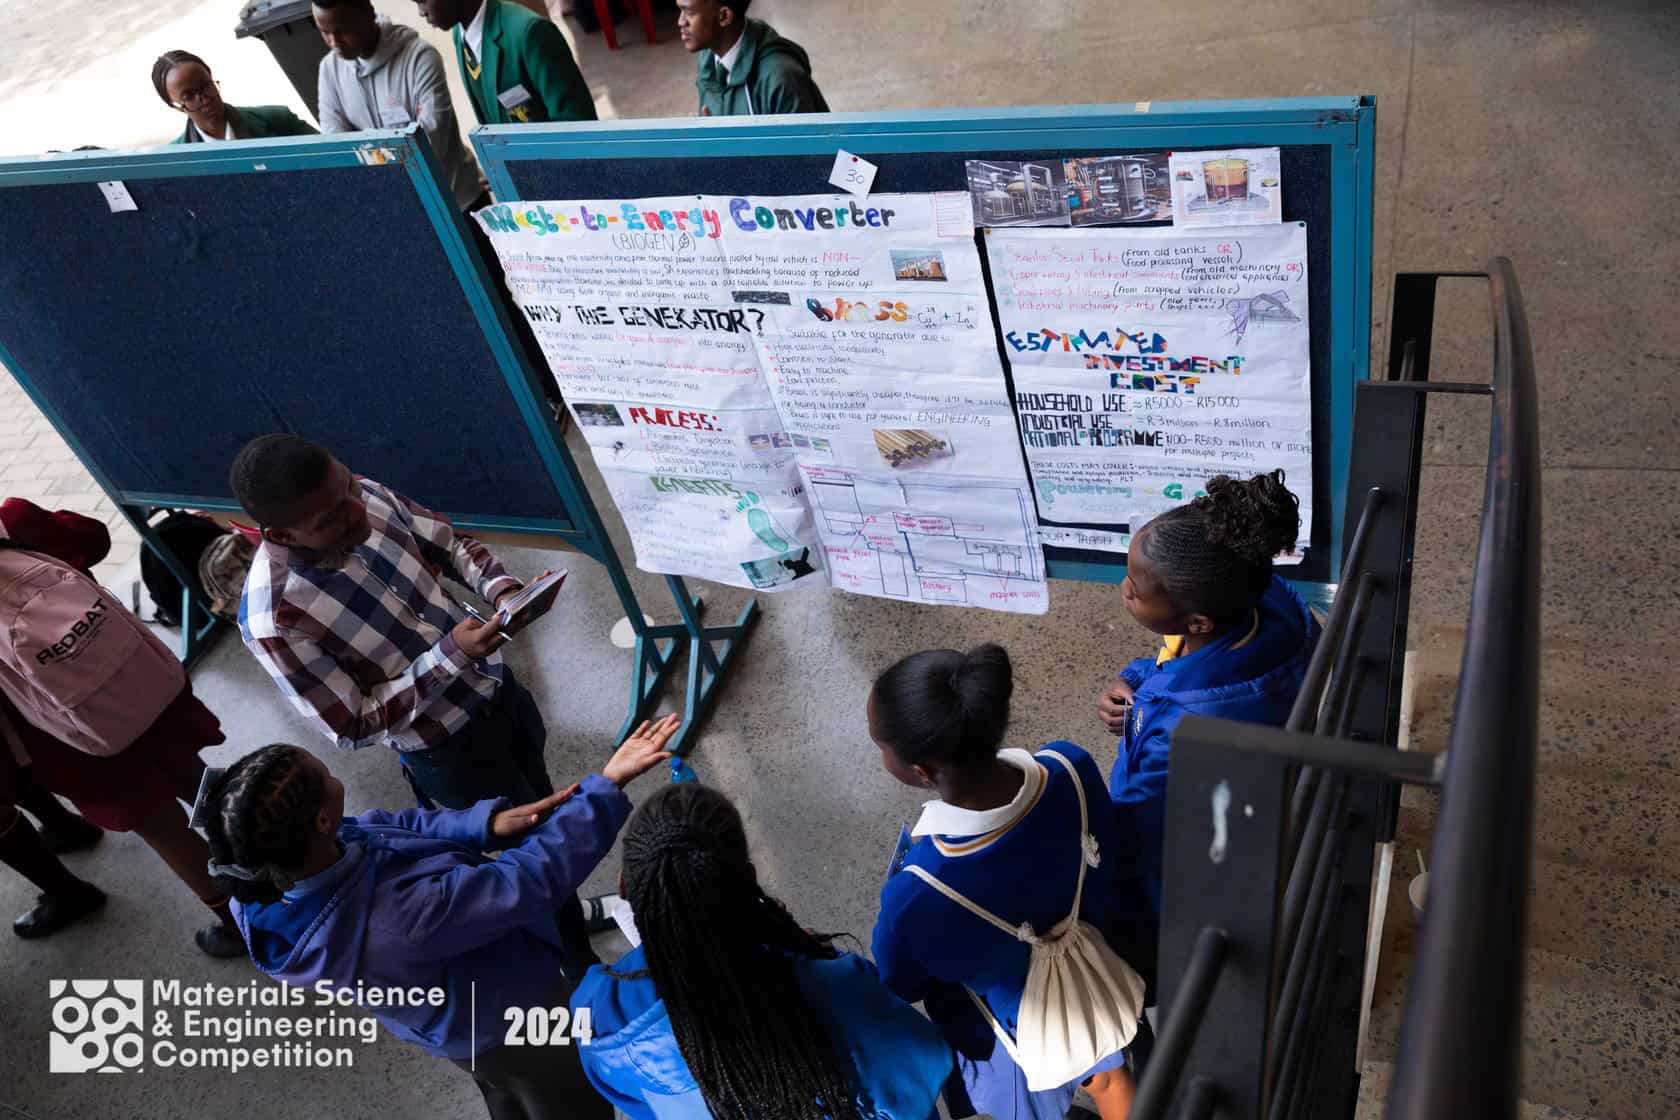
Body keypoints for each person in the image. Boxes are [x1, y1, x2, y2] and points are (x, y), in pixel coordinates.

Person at [228, 435, 602, 973]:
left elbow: (449, 545)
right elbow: (352, 724)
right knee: (528, 857)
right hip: (448, 751)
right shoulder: (274, 618)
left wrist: (504, 592)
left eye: (349, 485)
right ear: (281, 535)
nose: (359, 510)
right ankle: (577, 966)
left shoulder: (359, 494)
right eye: (333, 518)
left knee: (545, 811)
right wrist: (451, 656)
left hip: (500, 692)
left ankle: (567, 921)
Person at [200, 715, 678, 1120]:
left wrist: (481, 825)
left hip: (459, 1026)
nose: (333, 775)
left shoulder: (277, 875)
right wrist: (606, 786)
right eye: (326, 774)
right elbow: (528, 880)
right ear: (321, 821)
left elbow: (387, 828)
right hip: (511, 1022)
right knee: (566, 1098)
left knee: (509, 1088)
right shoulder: (398, 921)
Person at [869, 645, 1145, 1120]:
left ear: (923, 771)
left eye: (881, 746)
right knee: (1108, 1076)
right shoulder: (1070, 766)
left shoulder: (917, 892)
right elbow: (1109, 853)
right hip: (1096, 974)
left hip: (1010, 1037)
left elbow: (901, 981)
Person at [573, 782, 954, 1120]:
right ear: (748, 879)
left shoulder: (592, 1012)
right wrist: (809, 954)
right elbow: (918, 1073)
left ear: (624, 888)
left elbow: (636, 1102)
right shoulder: (839, 986)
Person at [0, 498, 245, 956]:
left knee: (165, 829)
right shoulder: (12, 518)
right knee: (197, 780)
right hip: (138, 681)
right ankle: (291, 858)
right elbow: (93, 539)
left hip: (75, 740)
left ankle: (240, 924)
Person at [1097, 470, 1321, 920]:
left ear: (1197, 622)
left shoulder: (1181, 730)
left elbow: (1137, 822)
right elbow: (1181, 668)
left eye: (1136, 591)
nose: (1124, 590)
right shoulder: (1259, 599)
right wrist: (1136, 679)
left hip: (1190, 860)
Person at [312, 0, 486, 212]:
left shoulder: (420, 57)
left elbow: (431, 142)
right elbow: (337, 146)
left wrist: (366, 153)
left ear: (368, 12)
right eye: (325, 32)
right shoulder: (329, 70)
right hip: (399, 207)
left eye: (342, 30)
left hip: (458, 201)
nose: (334, 42)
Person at [414, 0, 596, 126]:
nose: (421, 12)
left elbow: (578, 124)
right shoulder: (460, 35)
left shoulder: (530, 33)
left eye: (422, 1)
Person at [678, 0, 828, 117]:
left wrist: (722, 144)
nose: (681, 22)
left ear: (724, 16)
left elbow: (805, 147)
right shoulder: (709, 57)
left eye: (689, 13)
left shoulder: (781, 79)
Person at [151, 51, 317, 143]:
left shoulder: (279, 120)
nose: (205, 99)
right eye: (189, 96)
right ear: (176, 107)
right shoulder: (176, 160)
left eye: (206, 85)